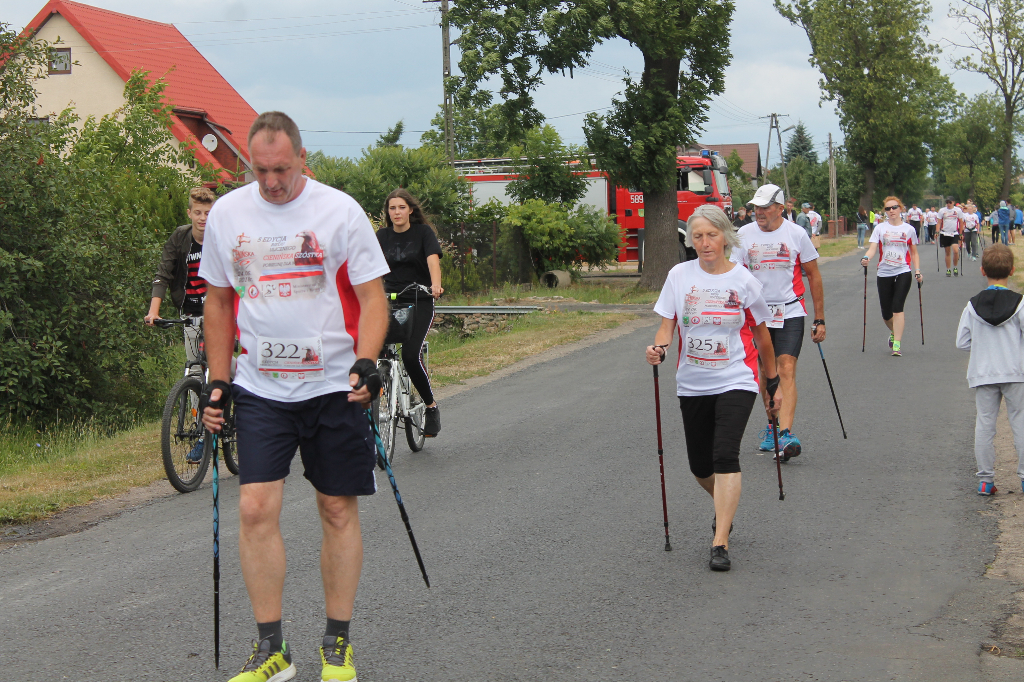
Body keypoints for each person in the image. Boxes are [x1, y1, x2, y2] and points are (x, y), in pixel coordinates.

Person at [199, 111, 391, 682]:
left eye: (281, 169)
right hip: (262, 388)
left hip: (334, 387)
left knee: (336, 508)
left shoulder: (339, 211)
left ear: (302, 158)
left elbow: (373, 298)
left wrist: (368, 360)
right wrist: (218, 378)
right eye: (260, 171)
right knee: (255, 508)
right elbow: (217, 303)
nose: (272, 182)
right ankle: (272, 650)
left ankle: (337, 644)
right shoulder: (229, 215)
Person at [646, 204, 783, 572]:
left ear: (726, 237)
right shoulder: (679, 275)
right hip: (692, 382)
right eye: (698, 236)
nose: (705, 243)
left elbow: (762, 334)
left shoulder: (743, 281)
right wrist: (659, 348)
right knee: (700, 466)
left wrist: (773, 382)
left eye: (712, 235)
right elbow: (667, 326)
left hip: (736, 378)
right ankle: (725, 504)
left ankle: (720, 540)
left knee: (725, 455)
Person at [730, 184, 825, 460]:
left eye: (765, 207)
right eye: (756, 207)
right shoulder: (744, 234)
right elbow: (735, 275)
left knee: (786, 367)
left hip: (790, 311)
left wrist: (819, 318)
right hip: (757, 315)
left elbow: (814, 276)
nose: (758, 212)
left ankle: (785, 433)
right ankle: (772, 427)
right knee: (766, 372)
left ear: (780, 208)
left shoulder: (796, 234)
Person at [956, 245, 1024, 496]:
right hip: (1015, 372)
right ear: (1012, 270)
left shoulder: (972, 306)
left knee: (985, 424)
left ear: (983, 270)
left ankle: (985, 480)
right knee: (1020, 423)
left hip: (983, 373)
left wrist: (982, 346)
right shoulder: (1020, 303)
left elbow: (962, 342)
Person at [376, 188, 444, 436]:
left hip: (419, 298)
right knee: (375, 353)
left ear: (411, 210)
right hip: (387, 299)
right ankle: (377, 403)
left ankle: (431, 406)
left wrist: (435, 285)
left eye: (401, 207)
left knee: (410, 355)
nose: (397, 212)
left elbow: (432, 260)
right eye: (392, 208)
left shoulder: (423, 233)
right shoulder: (381, 236)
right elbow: (369, 266)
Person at [145, 186, 217, 371]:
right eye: (198, 212)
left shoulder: (220, 237)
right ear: (189, 213)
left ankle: (226, 393)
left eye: (208, 213)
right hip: (191, 311)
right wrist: (154, 312)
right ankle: (194, 397)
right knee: (193, 370)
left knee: (218, 367)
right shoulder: (179, 237)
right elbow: (163, 274)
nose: (203, 218)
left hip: (218, 310)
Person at [860, 196, 923, 357]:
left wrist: (917, 270)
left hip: (903, 270)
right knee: (886, 314)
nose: (891, 211)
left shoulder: (909, 229)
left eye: (894, 207)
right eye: (888, 209)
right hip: (884, 272)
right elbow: (873, 248)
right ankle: (895, 332)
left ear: (900, 208)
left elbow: (914, 253)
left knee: (897, 307)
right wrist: (867, 258)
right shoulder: (880, 228)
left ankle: (897, 344)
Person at [937, 197, 964, 276]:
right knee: (947, 252)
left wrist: (961, 233)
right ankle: (948, 269)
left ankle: (955, 267)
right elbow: (939, 222)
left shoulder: (958, 210)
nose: (948, 204)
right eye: (947, 202)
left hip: (954, 233)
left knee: (956, 251)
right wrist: (937, 231)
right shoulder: (942, 210)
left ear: (953, 202)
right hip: (945, 233)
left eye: (950, 202)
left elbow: (961, 222)